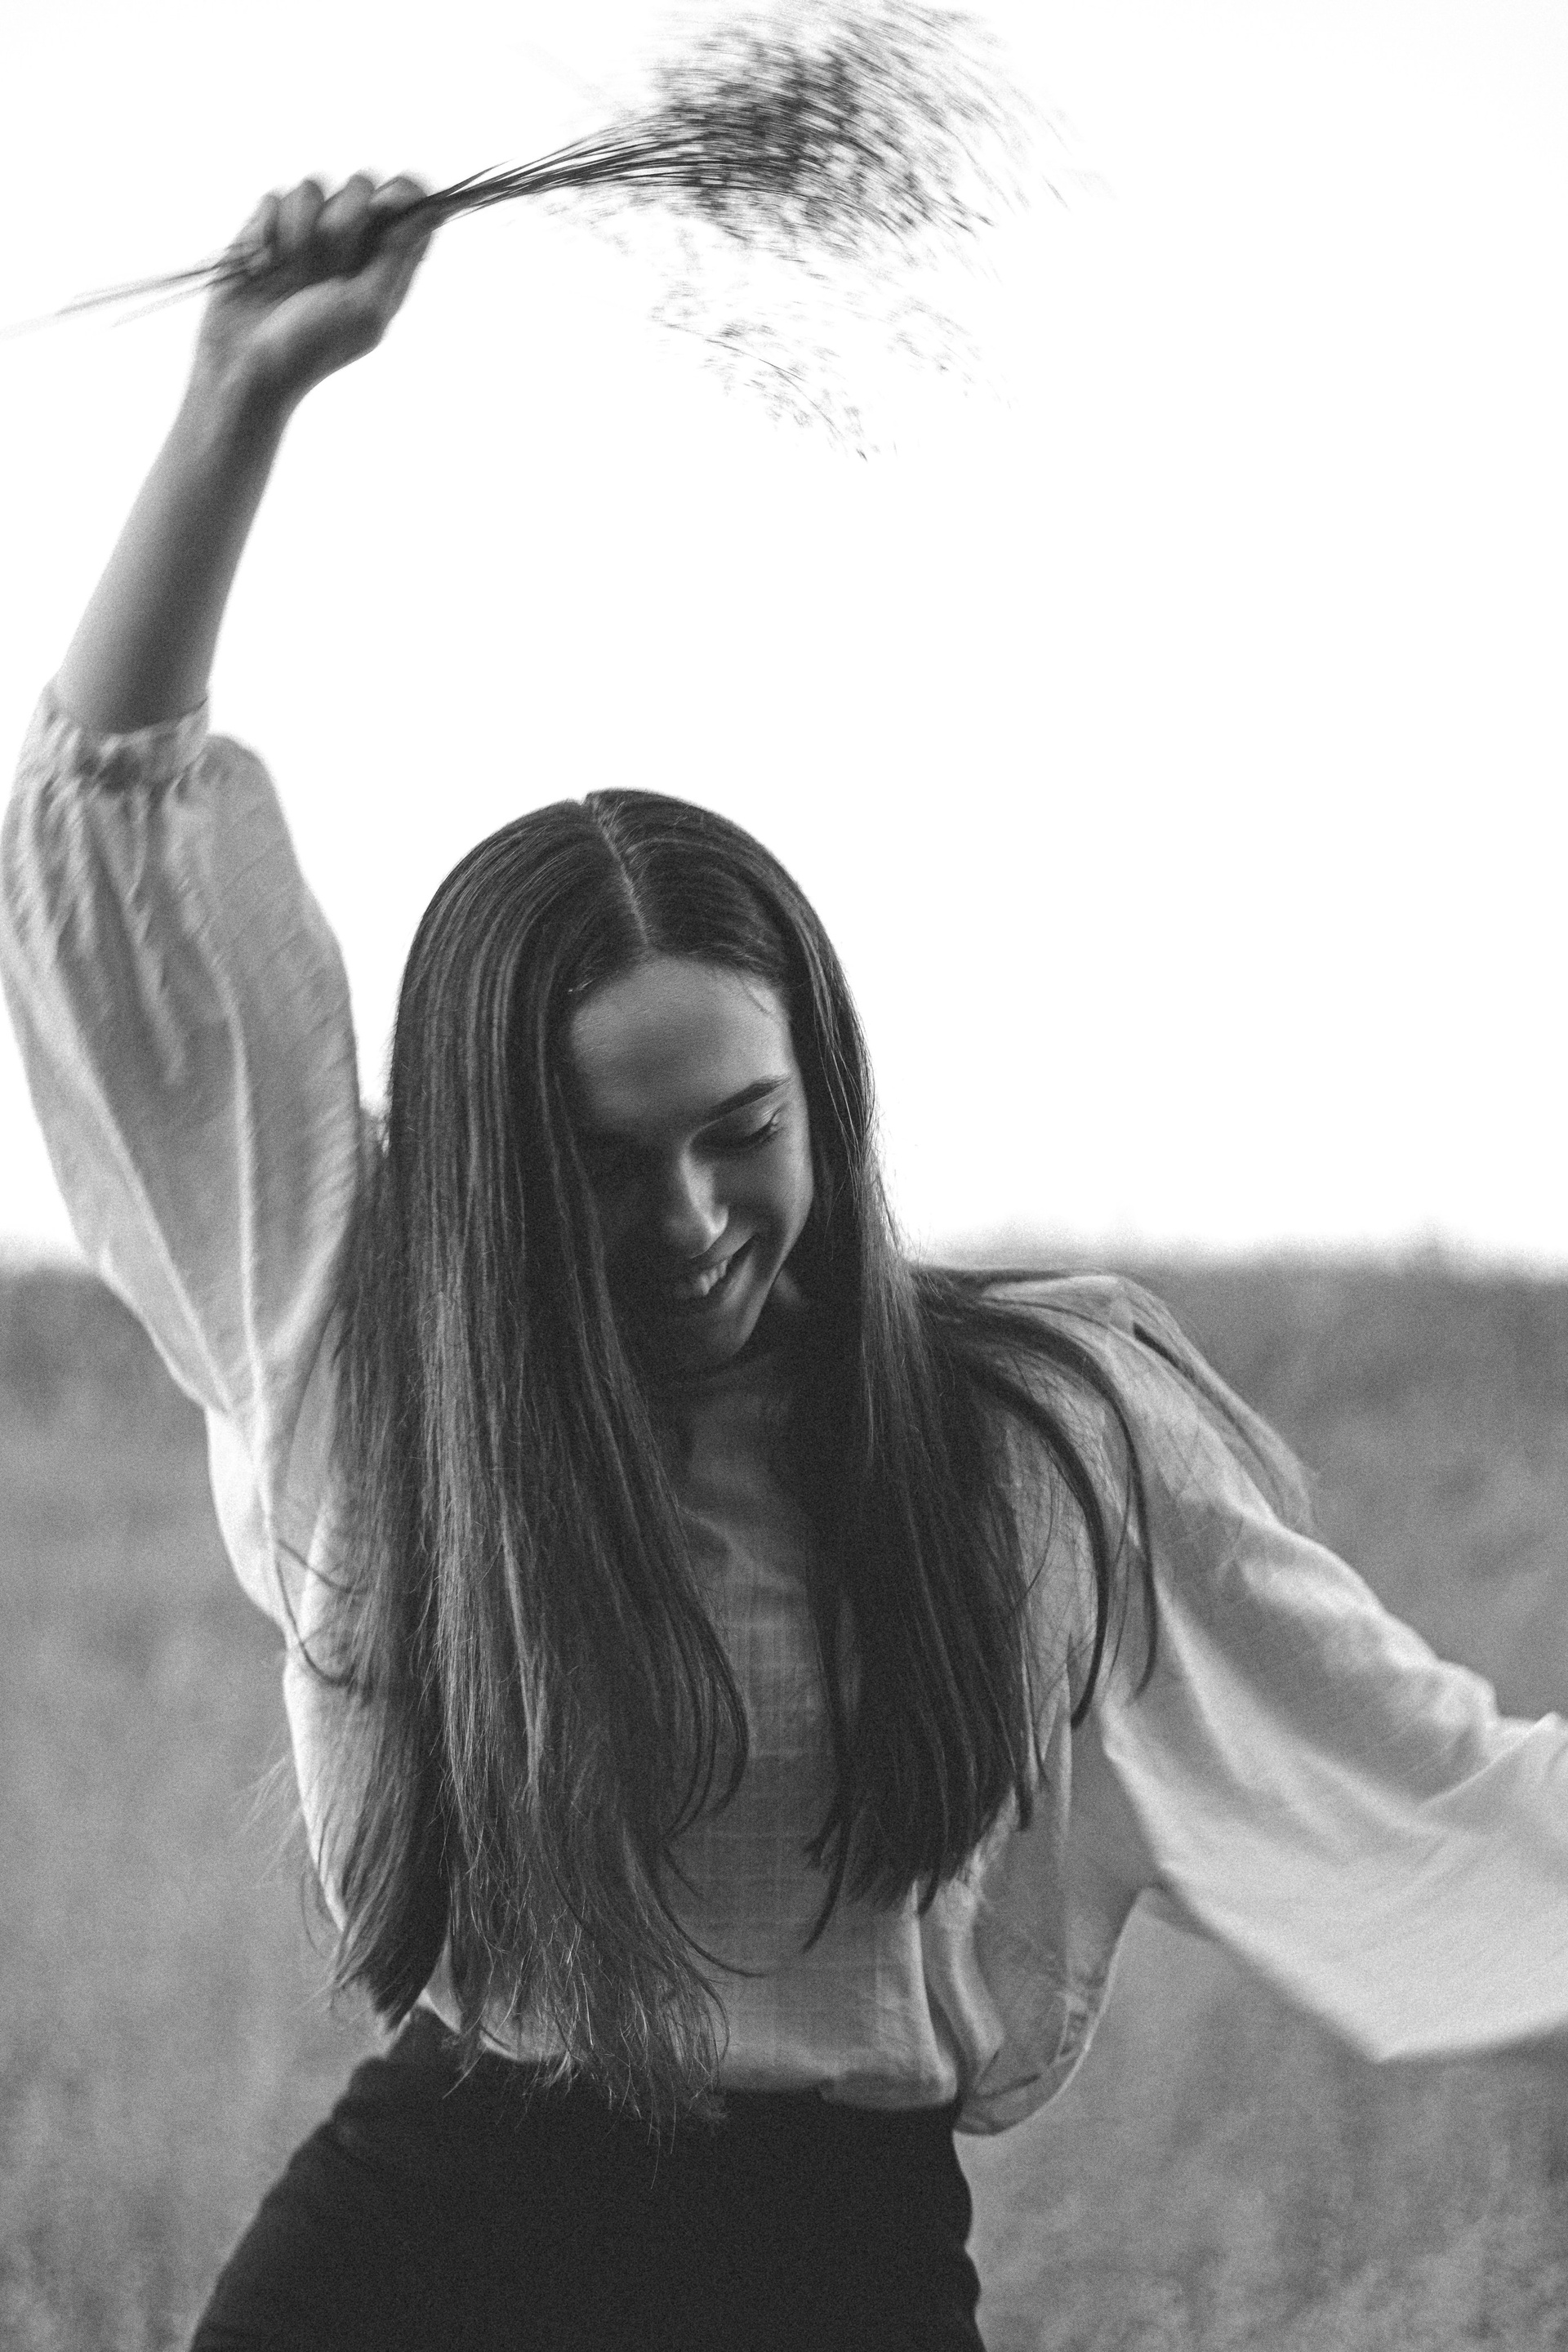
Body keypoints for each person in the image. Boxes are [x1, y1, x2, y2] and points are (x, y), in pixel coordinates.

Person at [4, 172, 1568, 2352]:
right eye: (599, 1164)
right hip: (426, 2233)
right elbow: (117, 862)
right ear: (484, 1180)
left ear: (823, 1094)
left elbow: (1441, 1786)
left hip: (824, 2260)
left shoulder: (1037, 1438)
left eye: (742, 1133)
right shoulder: (366, 1354)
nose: (693, 1218)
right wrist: (235, 403)